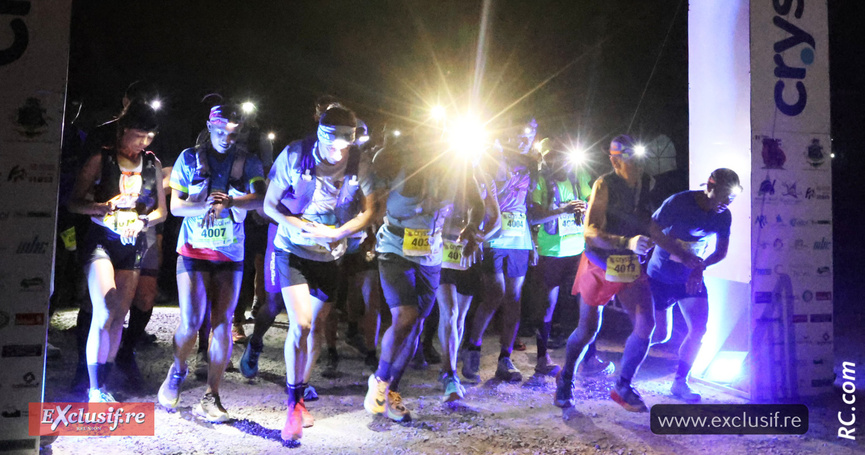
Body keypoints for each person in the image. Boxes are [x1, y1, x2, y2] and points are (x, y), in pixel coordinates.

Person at [262, 106, 376, 441]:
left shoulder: (359, 161)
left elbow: (370, 210)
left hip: (331, 255)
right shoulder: (295, 155)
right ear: (320, 134)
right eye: (332, 143)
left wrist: (340, 232)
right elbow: (269, 205)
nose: (338, 151)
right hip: (293, 249)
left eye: (345, 144)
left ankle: (302, 387)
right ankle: (293, 406)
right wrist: (303, 226)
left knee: (316, 329)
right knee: (302, 324)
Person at [364, 127, 485, 421]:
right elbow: (368, 197)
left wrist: (472, 227)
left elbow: (478, 205)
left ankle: (392, 393)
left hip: (430, 253)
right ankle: (379, 381)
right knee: (405, 316)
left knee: (416, 328)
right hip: (394, 247)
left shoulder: (457, 169)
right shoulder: (395, 162)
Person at [157, 105, 265, 422]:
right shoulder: (189, 158)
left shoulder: (248, 160)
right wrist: (204, 203)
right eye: (220, 132)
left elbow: (261, 199)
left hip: (230, 253)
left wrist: (229, 201)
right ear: (209, 126)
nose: (226, 139)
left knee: (222, 323)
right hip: (193, 250)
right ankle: (177, 370)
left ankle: (212, 395)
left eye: (233, 134)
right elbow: (175, 207)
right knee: (191, 323)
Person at [68, 101, 166, 402]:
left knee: (120, 313)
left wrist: (144, 220)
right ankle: (93, 388)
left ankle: (104, 383)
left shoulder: (152, 163)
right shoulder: (102, 159)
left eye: (149, 137)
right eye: (138, 135)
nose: (143, 143)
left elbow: (161, 210)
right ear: (124, 130)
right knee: (105, 309)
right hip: (102, 241)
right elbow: (73, 202)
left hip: (133, 243)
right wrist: (100, 207)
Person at [554, 134, 656, 412]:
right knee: (588, 330)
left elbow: (646, 218)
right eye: (630, 159)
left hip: (628, 263)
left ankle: (623, 385)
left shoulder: (647, 182)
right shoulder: (604, 184)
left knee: (646, 324)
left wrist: (658, 240)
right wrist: (626, 242)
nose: (636, 163)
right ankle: (566, 377)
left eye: (639, 158)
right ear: (615, 160)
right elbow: (590, 233)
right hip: (601, 262)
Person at [648, 168, 740, 402]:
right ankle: (629, 368)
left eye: (731, 198)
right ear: (710, 187)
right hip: (660, 275)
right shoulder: (679, 202)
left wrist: (699, 267)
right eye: (724, 196)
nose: (726, 203)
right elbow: (653, 229)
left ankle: (680, 382)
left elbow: (721, 251)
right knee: (659, 334)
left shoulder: (723, 216)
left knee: (698, 329)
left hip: (689, 277)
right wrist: (680, 252)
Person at [462, 118, 539, 383]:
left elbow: (529, 205)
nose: (521, 140)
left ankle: (505, 359)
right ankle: (473, 346)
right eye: (517, 134)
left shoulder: (532, 165)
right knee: (494, 294)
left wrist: (534, 242)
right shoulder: (492, 157)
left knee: (514, 298)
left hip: (519, 238)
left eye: (527, 136)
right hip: (494, 235)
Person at [436, 150, 501, 401]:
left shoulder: (484, 179)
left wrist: (481, 236)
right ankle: (449, 373)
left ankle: (448, 364)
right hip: (442, 251)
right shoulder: (442, 174)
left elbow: (495, 217)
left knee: (459, 318)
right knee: (449, 312)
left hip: (467, 254)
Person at [527, 148, 591, 376]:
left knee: (586, 303)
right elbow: (534, 215)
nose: (561, 163)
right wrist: (563, 209)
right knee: (546, 305)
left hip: (578, 250)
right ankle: (542, 357)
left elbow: (591, 199)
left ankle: (589, 357)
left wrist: (586, 206)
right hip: (551, 251)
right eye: (554, 159)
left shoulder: (578, 177)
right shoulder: (541, 182)